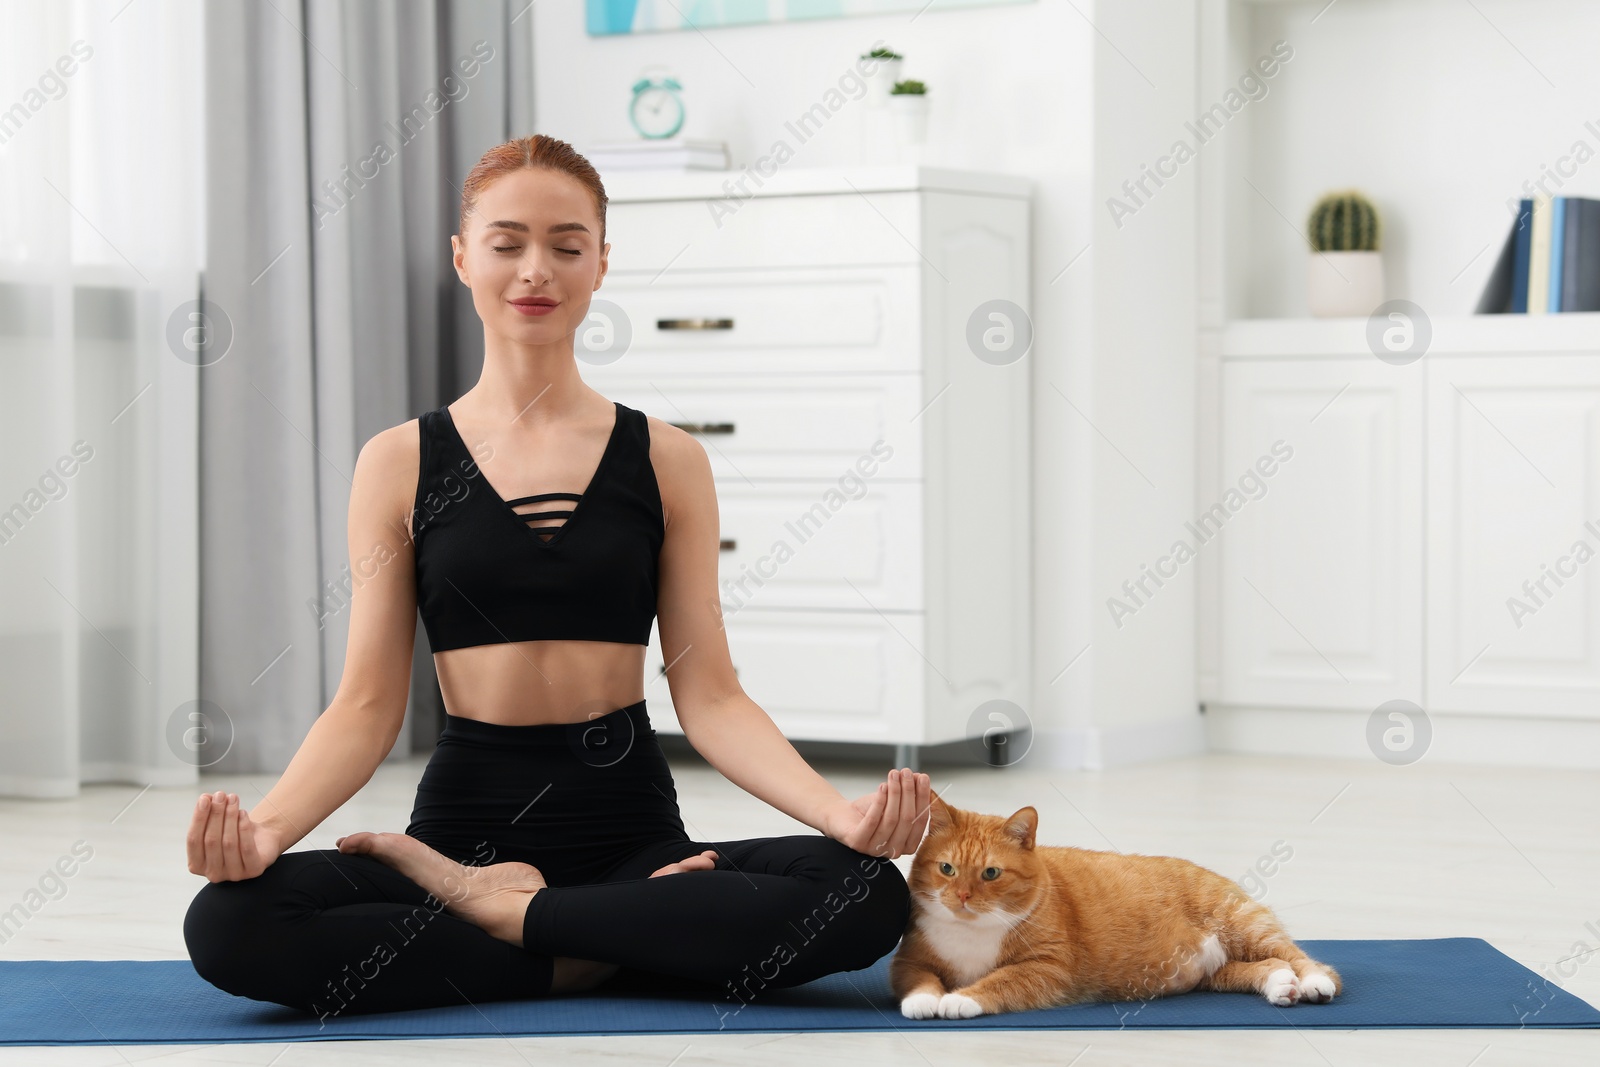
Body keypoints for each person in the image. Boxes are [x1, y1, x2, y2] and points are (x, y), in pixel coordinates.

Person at [181, 134, 930, 1020]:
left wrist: (838, 817)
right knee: (231, 922)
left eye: (567, 246)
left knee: (866, 892)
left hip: (630, 833)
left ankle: (522, 921)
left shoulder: (668, 459)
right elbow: (367, 705)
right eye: (507, 243)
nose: (536, 269)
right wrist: (266, 830)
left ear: (601, 263)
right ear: (464, 258)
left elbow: (713, 696)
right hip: (460, 834)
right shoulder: (398, 462)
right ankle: (599, 948)